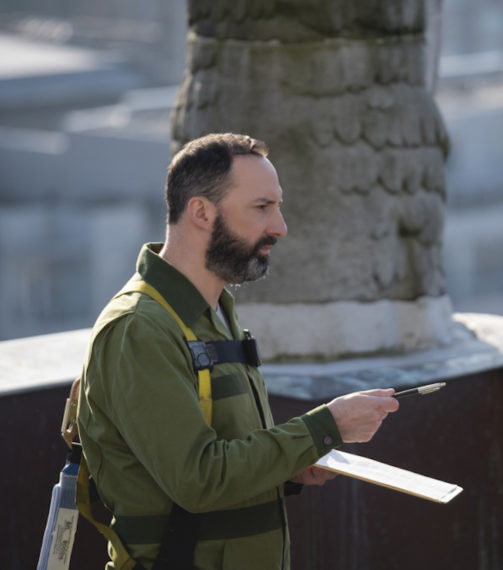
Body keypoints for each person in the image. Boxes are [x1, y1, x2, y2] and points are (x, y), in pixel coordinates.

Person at [76, 132, 400, 570]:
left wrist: (288, 467)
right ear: (201, 212)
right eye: (262, 207)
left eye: (278, 207)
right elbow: (200, 479)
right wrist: (325, 427)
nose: (280, 227)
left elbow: (221, 461)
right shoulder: (140, 329)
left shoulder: (214, 313)